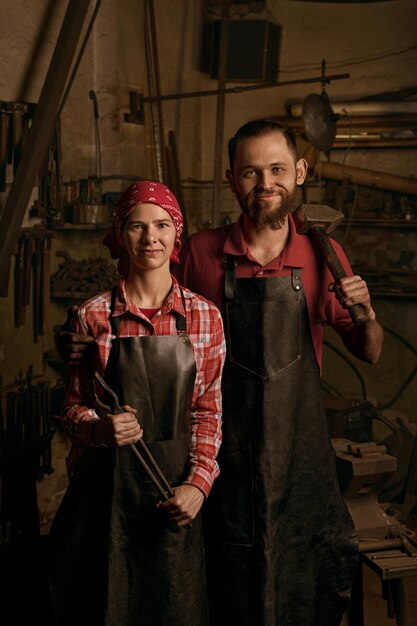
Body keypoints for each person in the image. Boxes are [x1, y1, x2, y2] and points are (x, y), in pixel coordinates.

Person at [57, 119, 383, 626]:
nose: (265, 182)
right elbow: (152, 311)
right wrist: (80, 346)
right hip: (217, 461)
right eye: (251, 172)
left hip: (297, 457)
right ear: (232, 180)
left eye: (277, 169)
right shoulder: (200, 255)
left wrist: (365, 313)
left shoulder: (324, 253)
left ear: (298, 173)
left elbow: (369, 352)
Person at [48, 181, 226, 626]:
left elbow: (209, 412)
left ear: (177, 234)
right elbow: (72, 411)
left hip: (174, 499)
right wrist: (98, 430)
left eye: (162, 225)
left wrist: (198, 486)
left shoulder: (206, 317)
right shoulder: (90, 316)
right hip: (104, 503)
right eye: (137, 226)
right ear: (120, 234)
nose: (151, 238)